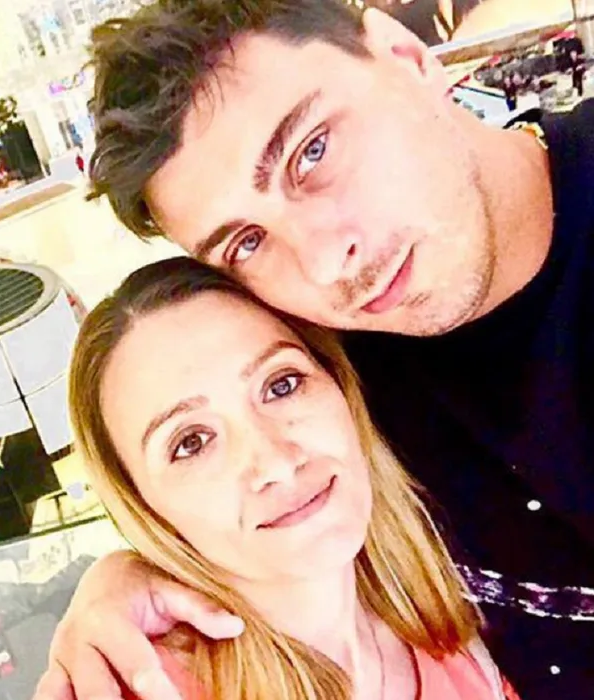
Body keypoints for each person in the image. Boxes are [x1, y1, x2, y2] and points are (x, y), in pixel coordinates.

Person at [38, 2, 594, 699]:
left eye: (312, 152)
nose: (328, 263)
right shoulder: (336, 369)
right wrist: (132, 575)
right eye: (247, 242)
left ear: (405, 56)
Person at [68, 258, 520, 699]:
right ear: (142, 505)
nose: (276, 463)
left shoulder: (454, 598)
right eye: (191, 442)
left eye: (281, 385)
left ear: (339, 386)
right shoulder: (144, 686)